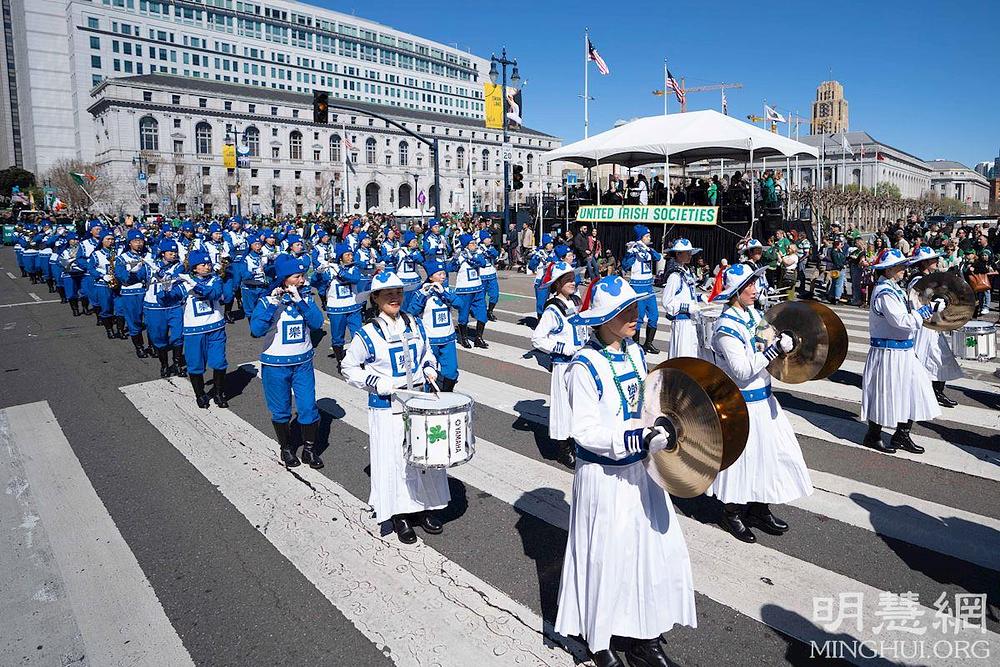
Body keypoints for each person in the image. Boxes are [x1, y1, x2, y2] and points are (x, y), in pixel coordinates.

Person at [555, 273, 695, 667]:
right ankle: (600, 638)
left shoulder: (635, 351)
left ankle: (643, 635)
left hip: (641, 471)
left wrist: (664, 426)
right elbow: (583, 431)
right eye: (624, 310)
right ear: (603, 318)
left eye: (634, 307)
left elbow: (645, 402)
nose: (635, 315)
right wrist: (634, 438)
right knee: (607, 555)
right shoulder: (584, 364)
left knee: (646, 553)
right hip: (604, 477)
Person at [341, 270, 449, 545]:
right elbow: (349, 367)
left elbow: (426, 353)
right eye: (388, 293)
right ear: (375, 298)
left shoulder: (415, 323)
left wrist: (429, 368)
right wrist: (376, 382)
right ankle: (400, 514)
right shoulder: (367, 333)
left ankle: (425, 507)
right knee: (395, 460)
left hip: (419, 402)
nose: (394, 297)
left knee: (424, 456)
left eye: (398, 292)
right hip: (387, 406)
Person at [708, 264, 814, 543]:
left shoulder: (753, 314)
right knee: (742, 461)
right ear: (734, 292)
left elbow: (769, 343)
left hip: (764, 399)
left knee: (770, 457)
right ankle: (731, 512)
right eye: (748, 286)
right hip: (741, 404)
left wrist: (783, 343)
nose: (755, 289)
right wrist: (775, 348)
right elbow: (742, 370)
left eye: (755, 283)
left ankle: (758, 507)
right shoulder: (725, 328)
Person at [861, 249, 943, 454]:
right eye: (900, 267)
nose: (905, 270)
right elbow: (902, 322)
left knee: (916, 389)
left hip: (903, 351)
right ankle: (873, 435)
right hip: (888, 352)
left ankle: (901, 435)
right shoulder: (885, 293)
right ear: (888, 270)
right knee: (884, 393)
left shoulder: (893, 288)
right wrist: (929, 309)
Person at [251, 254, 326, 469]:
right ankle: (286, 448)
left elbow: (317, 323)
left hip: (302, 363)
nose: (302, 280)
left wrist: (300, 301)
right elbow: (256, 330)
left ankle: (310, 450)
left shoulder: (305, 299)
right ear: (284, 279)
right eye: (297, 277)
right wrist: (273, 303)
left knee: (308, 407)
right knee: (281, 409)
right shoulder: (267, 301)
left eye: (302, 276)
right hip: (275, 365)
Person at [531, 261, 588, 469]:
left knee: (578, 405)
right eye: (567, 280)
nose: (573, 283)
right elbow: (538, 339)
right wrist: (563, 348)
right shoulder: (552, 309)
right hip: (563, 365)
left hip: (579, 363)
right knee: (563, 407)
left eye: (573, 278)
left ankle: (577, 441)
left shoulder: (575, 300)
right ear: (557, 284)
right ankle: (563, 449)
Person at [170, 250, 229, 409]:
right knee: (195, 364)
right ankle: (200, 394)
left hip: (216, 327)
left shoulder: (215, 279)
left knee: (219, 362)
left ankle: (218, 393)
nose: (207, 266)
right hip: (194, 331)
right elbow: (169, 298)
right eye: (203, 265)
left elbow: (215, 293)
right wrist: (166, 287)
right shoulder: (185, 283)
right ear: (194, 268)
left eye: (208, 263)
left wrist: (194, 284)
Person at [907, 246, 963, 408]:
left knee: (941, 357)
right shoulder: (917, 281)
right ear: (924, 263)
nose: (936, 261)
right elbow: (917, 304)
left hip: (933, 324)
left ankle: (936, 392)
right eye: (933, 260)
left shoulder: (929, 278)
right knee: (922, 359)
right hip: (923, 326)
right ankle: (918, 392)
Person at [407, 260, 460, 391]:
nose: (443, 276)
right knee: (429, 371)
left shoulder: (446, 290)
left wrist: (444, 293)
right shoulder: (422, 291)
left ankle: (447, 394)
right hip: (430, 340)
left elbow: (460, 305)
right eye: (440, 274)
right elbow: (411, 312)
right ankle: (427, 397)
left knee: (451, 371)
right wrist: (423, 295)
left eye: (444, 274)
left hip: (448, 338)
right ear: (431, 277)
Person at [143, 239, 187, 378]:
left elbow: (171, 278)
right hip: (154, 307)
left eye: (175, 252)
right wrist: (135, 269)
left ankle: (177, 364)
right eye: (170, 252)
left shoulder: (179, 266)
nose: (173, 254)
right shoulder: (150, 264)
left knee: (178, 336)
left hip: (173, 305)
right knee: (159, 338)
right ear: (162, 253)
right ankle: (164, 365)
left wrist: (158, 271)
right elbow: (136, 277)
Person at [660, 239, 707, 359]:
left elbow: (686, 294)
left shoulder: (687, 272)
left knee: (693, 353)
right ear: (678, 254)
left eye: (690, 252)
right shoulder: (675, 276)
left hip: (692, 321)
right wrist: (688, 307)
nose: (690, 255)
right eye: (686, 252)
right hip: (682, 322)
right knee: (683, 355)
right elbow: (667, 302)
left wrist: (700, 297)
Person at [621, 225, 662, 354]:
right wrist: (630, 253)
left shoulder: (648, 249)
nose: (649, 238)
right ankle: (635, 345)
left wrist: (648, 250)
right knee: (638, 318)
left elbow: (658, 257)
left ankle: (648, 343)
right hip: (637, 287)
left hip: (649, 287)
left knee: (654, 316)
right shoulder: (634, 250)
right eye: (647, 236)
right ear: (641, 237)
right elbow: (625, 266)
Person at [114, 229, 154, 358]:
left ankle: (152, 346)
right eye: (135, 241)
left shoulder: (150, 255)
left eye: (141, 240)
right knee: (134, 321)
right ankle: (139, 347)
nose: (139, 243)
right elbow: (122, 276)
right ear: (129, 243)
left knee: (151, 321)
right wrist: (133, 273)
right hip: (131, 293)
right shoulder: (122, 258)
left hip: (148, 292)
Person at [324, 242, 363, 373]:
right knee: (337, 337)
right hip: (336, 309)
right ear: (340, 257)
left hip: (353, 307)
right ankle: (340, 360)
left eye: (351, 254)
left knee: (358, 334)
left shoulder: (354, 268)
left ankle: (359, 360)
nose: (351, 257)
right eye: (347, 255)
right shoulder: (330, 270)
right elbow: (317, 283)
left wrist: (339, 270)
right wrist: (320, 273)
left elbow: (355, 279)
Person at [449, 233, 489, 349]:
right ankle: (464, 338)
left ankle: (478, 338)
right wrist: (456, 258)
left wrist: (472, 257)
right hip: (464, 290)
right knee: (463, 315)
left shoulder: (477, 254)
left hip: (478, 288)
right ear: (466, 245)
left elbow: (483, 263)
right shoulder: (460, 256)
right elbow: (450, 268)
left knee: (482, 313)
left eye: (474, 243)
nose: (474, 245)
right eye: (472, 244)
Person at [528, 234, 556, 317]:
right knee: (541, 303)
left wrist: (551, 260)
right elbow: (531, 267)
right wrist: (536, 258)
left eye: (552, 243)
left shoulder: (554, 253)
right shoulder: (539, 253)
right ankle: (540, 320)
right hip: (541, 281)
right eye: (549, 244)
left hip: (553, 281)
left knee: (553, 302)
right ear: (545, 244)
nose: (551, 245)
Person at [476, 230, 500, 321]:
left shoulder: (491, 248)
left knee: (495, 295)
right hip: (481, 275)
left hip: (492, 274)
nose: (489, 240)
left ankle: (490, 311)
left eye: (490, 238)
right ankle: (482, 313)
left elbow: (495, 255)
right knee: (481, 297)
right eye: (487, 238)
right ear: (483, 239)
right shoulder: (477, 248)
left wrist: (489, 252)